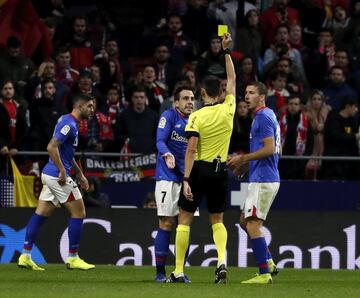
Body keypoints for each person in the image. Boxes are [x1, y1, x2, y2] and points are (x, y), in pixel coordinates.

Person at [167, 33, 236, 284]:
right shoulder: (229, 108)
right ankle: (221, 262)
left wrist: (185, 179)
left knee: (184, 219)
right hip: (220, 171)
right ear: (221, 92)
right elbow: (233, 78)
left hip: (199, 171)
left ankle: (178, 271)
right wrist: (226, 51)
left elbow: (191, 150)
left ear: (201, 92)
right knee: (217, 220)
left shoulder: (196, 116)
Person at [17, 93, 96, 271]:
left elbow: (66, 153)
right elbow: (51, 147)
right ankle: (73, 257)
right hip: (57, 176)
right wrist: (62, 170)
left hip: (51, 174)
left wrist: (80, 174)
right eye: (90, 106)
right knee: (79, 212)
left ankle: (25, 255)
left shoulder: (67, 121)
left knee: (41, 213)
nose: (92, 110)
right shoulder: (69, 125)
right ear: (79, 106)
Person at [227, 81, 281, 284]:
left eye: (251, 93)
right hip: (260, 176)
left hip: (264, 179)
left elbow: (269, 150)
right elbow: (266, 150)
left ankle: (264, 273)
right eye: (245, 92)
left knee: (253, 224)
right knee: (245, 221)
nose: (246, 96)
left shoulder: (264, 117)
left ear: (262, 96)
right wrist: (246, 167)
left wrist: (242, 159)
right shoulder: (264, 116)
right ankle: (268, 261)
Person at [154, 84, 195, 282]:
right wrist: (167, 154)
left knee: (184, 225)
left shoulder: (197, 120)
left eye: (192, 98)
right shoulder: (168, 116)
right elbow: (160, 140)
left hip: (188, 179)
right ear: (176, 102)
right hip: (167, 177)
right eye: (185, 98)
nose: (190, 102)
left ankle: (180, 271)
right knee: (166, 222)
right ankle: (160, 273)